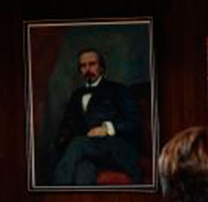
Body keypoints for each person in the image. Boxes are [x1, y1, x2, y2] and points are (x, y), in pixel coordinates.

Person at [52, 48, 142, 185]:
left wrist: (106, 129)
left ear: (101, 67)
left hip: (117, 149)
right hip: (87, 151)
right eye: (83, 66)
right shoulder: (77, 95)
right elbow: (67, 126)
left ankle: (54, 194)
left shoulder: (119, 90)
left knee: (78, 144)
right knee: (83, 170)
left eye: (92, 64)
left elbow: (134, 123)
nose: (88, 69)